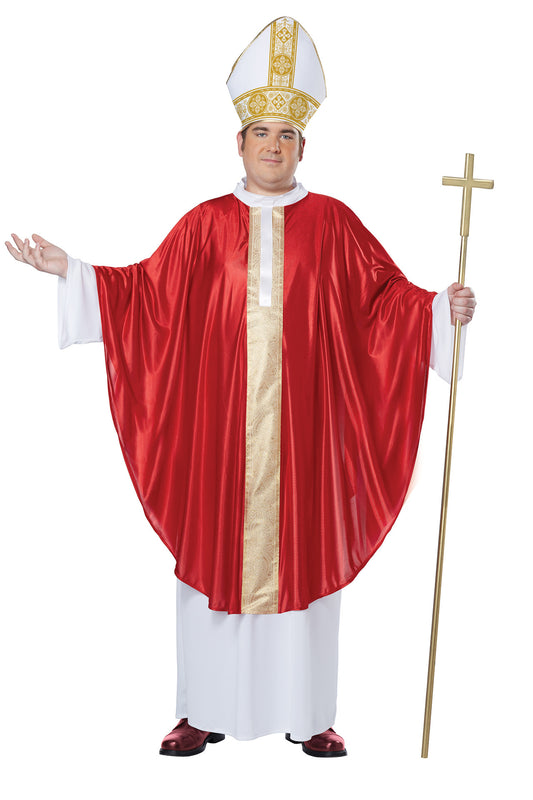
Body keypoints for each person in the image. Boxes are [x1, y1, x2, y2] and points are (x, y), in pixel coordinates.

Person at [5, 16, 476, 759]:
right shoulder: (202, 226)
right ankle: (201, 710)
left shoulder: (336, 225)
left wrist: (438, 311)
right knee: (213, 556)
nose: (273, 146)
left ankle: (309, 714)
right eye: (261, 133)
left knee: (305, 557)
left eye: (286, 135)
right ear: (239, 142)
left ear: (302, 147)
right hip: (219, 438)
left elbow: (386, 305)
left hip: (305, 441)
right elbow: (147, 296)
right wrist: (76, 272)